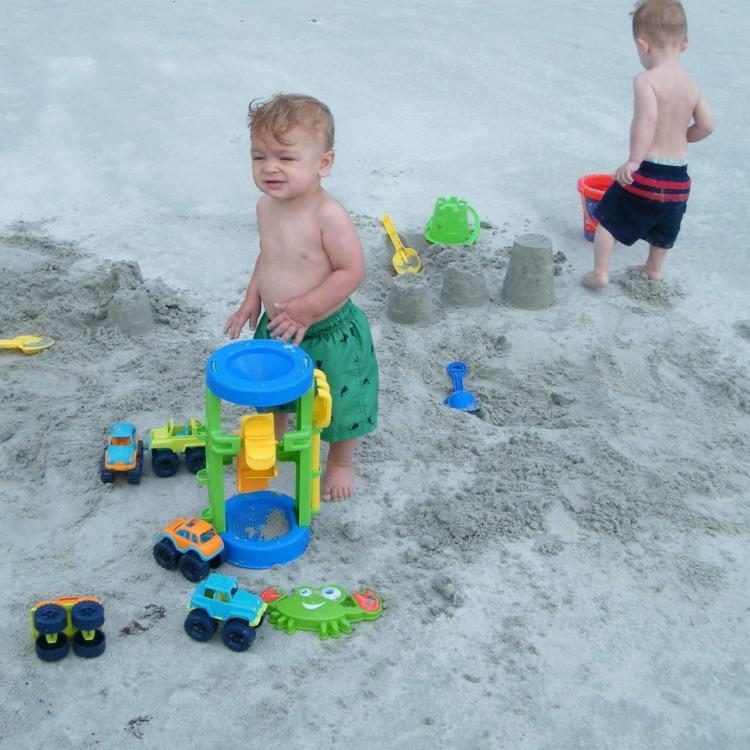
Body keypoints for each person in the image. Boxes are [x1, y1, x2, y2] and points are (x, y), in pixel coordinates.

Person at [224, 94, 379, 501]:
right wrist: (250, 300)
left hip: (328, 329)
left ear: (323, 163)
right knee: (271, 389)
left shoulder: (329, 215)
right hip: (276, 325)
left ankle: (341, 461)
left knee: (343, 402)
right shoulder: (266, 206)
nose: (269, 167)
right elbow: (269, 256)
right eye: (259, 157)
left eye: (286, 158)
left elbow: (351, 271)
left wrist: (310, 309)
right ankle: (271, 442)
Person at [582, 0, 714, 288]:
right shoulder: (692, 84)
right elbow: (707, 126)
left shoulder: (647, 80)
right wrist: (683, 136)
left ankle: (600, 273)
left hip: (649, 170)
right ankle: (654, 268)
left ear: (643, 45)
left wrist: (633, 161)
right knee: (666, 224)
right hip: (678, 178)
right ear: (685, 43)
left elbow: (647, 121)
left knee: (608, 216)